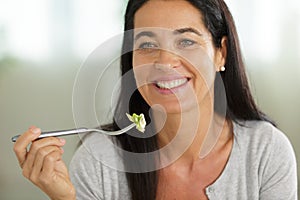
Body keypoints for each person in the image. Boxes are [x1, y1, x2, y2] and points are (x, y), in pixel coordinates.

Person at [13, 0, 298, 199]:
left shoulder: (265, 152)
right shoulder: (98, 159)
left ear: (221, 52)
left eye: (186, 41)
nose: (164, 62)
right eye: (147, 44)